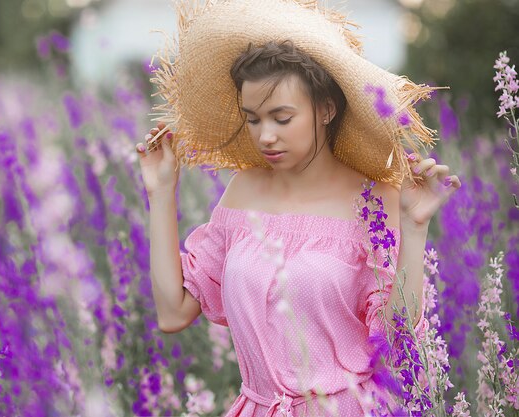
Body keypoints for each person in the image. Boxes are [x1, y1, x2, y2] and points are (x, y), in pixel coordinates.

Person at [135, 1, 461, 415]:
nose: (265, 136)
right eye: (253, 119)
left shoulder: (375, 202)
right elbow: (172, 311)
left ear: (325, 109)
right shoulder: (244, 191)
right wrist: (162, 193)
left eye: (282, 118)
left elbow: (397, 344)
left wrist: (414, 227)